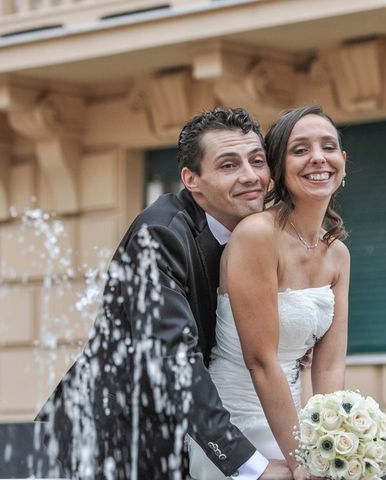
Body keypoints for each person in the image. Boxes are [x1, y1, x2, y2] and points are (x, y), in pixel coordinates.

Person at [36, 107, 293, 479]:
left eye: (257, 161)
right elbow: (174, 358)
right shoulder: (159, 235)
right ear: (192, 179)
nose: (251, 176)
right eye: (228, 166)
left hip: (201, 428)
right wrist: (247, 465)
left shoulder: (260, 236)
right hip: (119, 438)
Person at [188, 105, 350, 480]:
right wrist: (300, 460)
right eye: (300, 149)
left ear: (342, 160)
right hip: (237, 429)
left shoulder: (338, 254)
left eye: (328, 147)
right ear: (278, 166)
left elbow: (329, 365)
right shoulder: (257, 234)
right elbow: (260, 361)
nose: (318, 159)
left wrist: (329, 445)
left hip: (293, 419)